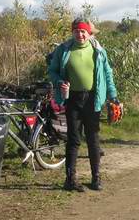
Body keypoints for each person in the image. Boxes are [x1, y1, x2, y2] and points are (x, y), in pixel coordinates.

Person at [48, 18, 119, 192]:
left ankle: (96, 178)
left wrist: (114, 96)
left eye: (83, 31)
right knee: (73, 140)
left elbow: (108, 74)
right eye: (76, 31)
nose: (79, 34)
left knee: (93, 139)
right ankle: (70, 180)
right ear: (72, 32)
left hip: (93, 100)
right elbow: (52, 70)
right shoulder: (64, 49)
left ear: (89, 33)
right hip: (72, 99)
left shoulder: (98, 51)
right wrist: (59, 82)